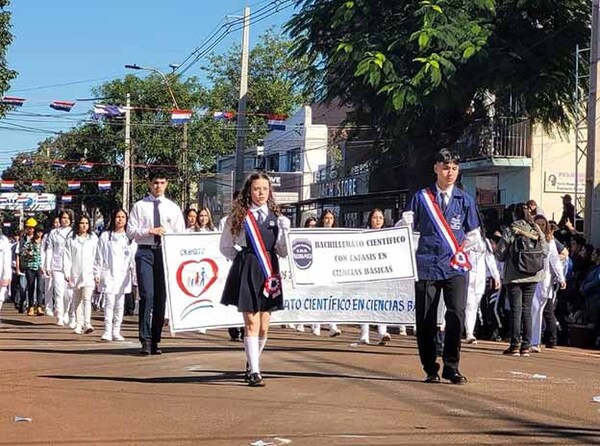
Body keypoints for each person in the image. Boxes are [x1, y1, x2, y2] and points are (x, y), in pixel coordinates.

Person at [403, 148, 481, 384]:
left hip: (454, 267)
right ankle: (430, 367)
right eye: (446, 168)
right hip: (427, 264)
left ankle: (451, 365)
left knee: (456, 313)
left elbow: (474, 233)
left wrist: (465, 247)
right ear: (436, 168)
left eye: (454, 168)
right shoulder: (421, 197)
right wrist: (404, 223)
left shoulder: (465, 200)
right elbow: (406, 228)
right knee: (426, 318)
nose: (450, 173)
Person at [220, 173, 290, 387]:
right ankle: (255, 372)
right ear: (249, 191)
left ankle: (252, 362)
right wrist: (242, 262)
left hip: (269, 270)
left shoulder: (276, 217)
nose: (261, 193)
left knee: (264, 326)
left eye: (265, 189)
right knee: (251, 321)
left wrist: (285, 234)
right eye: (257, 189)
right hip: (248, 267)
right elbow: (225, 246)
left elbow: (283, 252)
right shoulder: (239, 216)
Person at [127, 169, 185, 355]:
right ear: (149, 184)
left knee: (161, 297)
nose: (158, 186)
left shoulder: (173, 208)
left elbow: (181, 234)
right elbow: (130, 231)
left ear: (167, 184)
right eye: (155, 183)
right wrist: (148, 231)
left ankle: (155, 339)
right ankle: (144, 339)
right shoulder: (139, 206)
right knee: (147, 295)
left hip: (165, 253)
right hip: (145, 252)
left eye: (161, 182)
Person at [495, 203, 548, 357]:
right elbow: (544, 251)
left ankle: (515, 345)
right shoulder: (536, 228)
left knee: (515, 310)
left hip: (514, 275)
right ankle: (526, 345)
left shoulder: (512, 229)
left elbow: (500, 254)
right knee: (527, 309)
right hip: (534, 275)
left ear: (514, 215)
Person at [95, 209, 137, 342]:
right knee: (109, 303)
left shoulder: (130, 238)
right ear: (113, 218)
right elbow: (99, 256)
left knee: (120, 304)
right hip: (108, 273)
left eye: (123, 217)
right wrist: (97, 272)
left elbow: (133, 259)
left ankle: (116, 331)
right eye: (118, 217)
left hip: (123, 275)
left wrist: (135, 275)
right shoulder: (105, 236)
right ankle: (107, 331)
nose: (120, 219)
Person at [530, 214, 566, 352]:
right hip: (529, 278)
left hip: (544, 280)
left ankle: (535, 341)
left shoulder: (549, 241)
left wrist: (561, 278)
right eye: (537, 224)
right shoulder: (527, 238)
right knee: (530, 310)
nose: (540, 227)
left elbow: (555, 261)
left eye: (543, 225)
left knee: (538, 310)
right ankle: (529, 340)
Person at [359, 208, 392, 345]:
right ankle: (364, 334)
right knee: (365, 303)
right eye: (375, 217)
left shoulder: (389, 236)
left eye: (380, 218)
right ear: (370, 219)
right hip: (366, 274)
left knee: (381, 303)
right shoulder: (363, 234)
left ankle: (382, 332)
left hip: (382, 274)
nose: (377, 220)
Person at [464, 223, 501, 344]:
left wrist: (496, 276)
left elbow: (490, 260)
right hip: (466, 275)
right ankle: (466, 331)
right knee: (468, 303)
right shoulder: (464, 240)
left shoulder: (486, 242)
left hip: (480, 277)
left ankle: (470, 332)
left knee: (475, 304)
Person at [64, 214, 98, 335]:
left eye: (86, 223)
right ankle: (79, 323)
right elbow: (67, 257)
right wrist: (67, 272)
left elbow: (97, 257)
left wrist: (97, 272)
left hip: (89, 273)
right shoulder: (71, 240)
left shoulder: (93, 239)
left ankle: (87, 323)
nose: (84, 226)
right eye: (82, 223)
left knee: (87, 299)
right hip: (75, 273)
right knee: (77, 299)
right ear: (77, 224)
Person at [311, 209, 342, 337]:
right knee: (318, 297)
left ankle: (332, 326)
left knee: (331, 297)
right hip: (318, 269)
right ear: (322, 219)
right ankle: (316, 325)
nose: (329, 221)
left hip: (332, 270)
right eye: (326, 218)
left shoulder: (338, 234)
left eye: (331, 218)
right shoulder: (316, 233)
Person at [45, 209, 74, 326]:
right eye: (63, 218)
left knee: (68, 294)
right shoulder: (53, 233)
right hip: (56, 265)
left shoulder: (74, 232)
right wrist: (47, 265)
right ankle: (60, 315)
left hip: (71, 267)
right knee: (58, 291)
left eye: (67, 218)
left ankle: (67, 312)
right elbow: (49, 249)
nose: (65, 220)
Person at [16, 218, 44, 316]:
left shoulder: (44, 242)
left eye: (33, 228)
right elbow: (21, 253)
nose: (31, 230)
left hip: (41, 268)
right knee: (29, 287)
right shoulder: (25, 240)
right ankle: (29, 306)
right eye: (29, 227)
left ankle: (39, 307)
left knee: (40, 287)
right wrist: (18, 267)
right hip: (28, 267)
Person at [41, 216, 60, 316]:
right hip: (48, 264)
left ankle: (58, 307)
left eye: (58, 222)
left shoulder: (66, 235)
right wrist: (43, 264)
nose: (57, 224)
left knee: (59, 288)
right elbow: (43, 250)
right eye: (55, 222)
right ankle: (48, 307)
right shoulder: (47, 236)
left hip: (59, 265)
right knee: (48, 287)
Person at [0, 225, 12, 320]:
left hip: (1, 272)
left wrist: (6, 275)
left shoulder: (4, 240)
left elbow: (7, 259)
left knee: (1, 294)